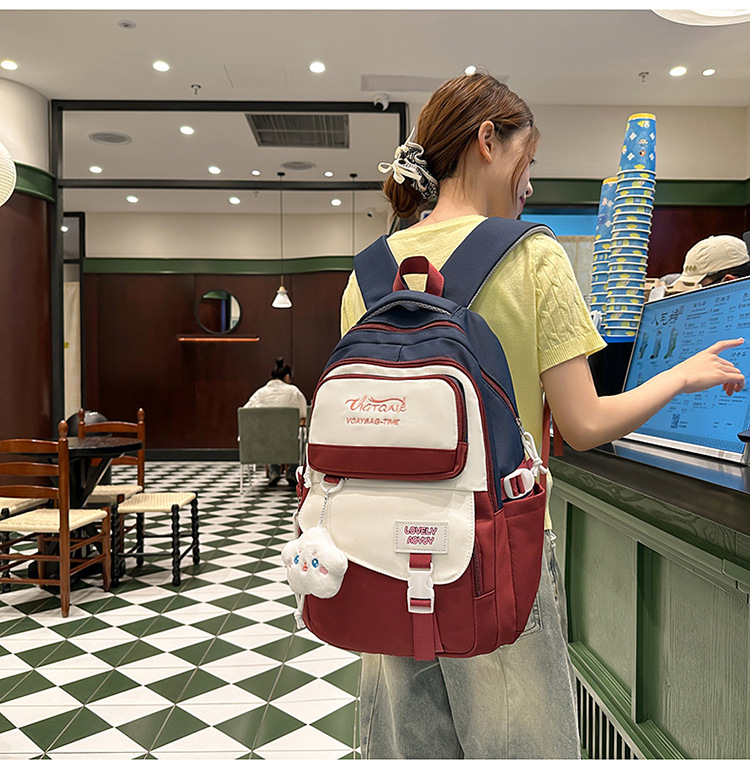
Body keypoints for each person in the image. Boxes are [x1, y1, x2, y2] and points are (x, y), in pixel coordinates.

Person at [340, 72, 745, 760]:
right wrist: (681, 374)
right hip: (499, 556)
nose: (529, 184)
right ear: (487, 140)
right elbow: (583, 424)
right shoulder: (532, 255)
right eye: (528, 160)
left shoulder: (367, 273)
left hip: (385, 554)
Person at [244, 357, 307, 486]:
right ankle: (292, 471)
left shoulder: (260, 393)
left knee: (269, 432)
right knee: (302, 435)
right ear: (287, 377)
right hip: (290, 442)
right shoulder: (294, 392)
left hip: (264, 443)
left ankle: (274, 470)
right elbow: (304, 414)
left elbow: (246, 413)